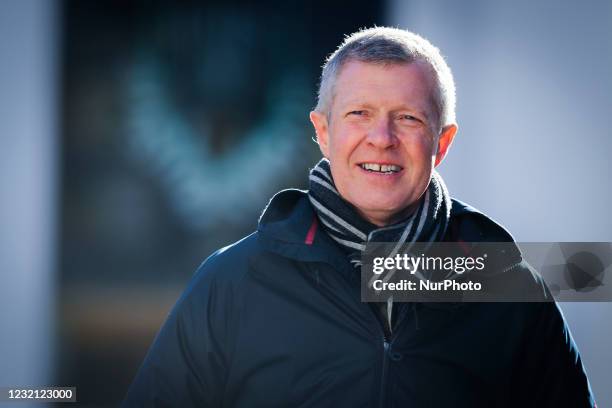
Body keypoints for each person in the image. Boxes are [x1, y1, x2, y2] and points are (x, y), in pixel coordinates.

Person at [123, 27, 596, 407]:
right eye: (359, 114)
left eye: (408, 118)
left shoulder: (511, 289)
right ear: (323, 132)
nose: (382, 137)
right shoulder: (229, 283)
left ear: (443, 143)